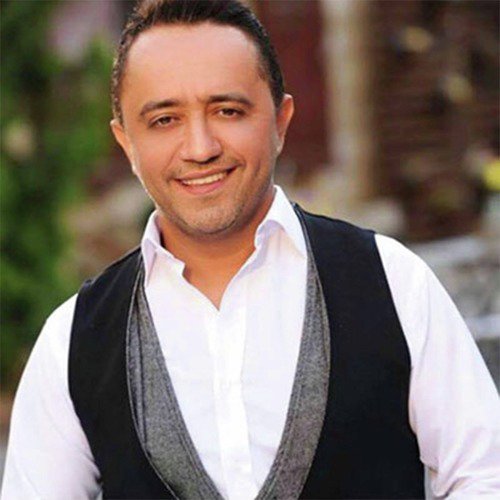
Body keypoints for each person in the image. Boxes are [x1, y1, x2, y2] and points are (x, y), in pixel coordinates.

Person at [2, 0, 500, 499]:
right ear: (127, 142)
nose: (200, 148)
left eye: (228, 111)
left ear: (280, 120)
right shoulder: (73, 341)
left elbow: (485, 476)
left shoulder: (392, 283)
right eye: (164, 120)